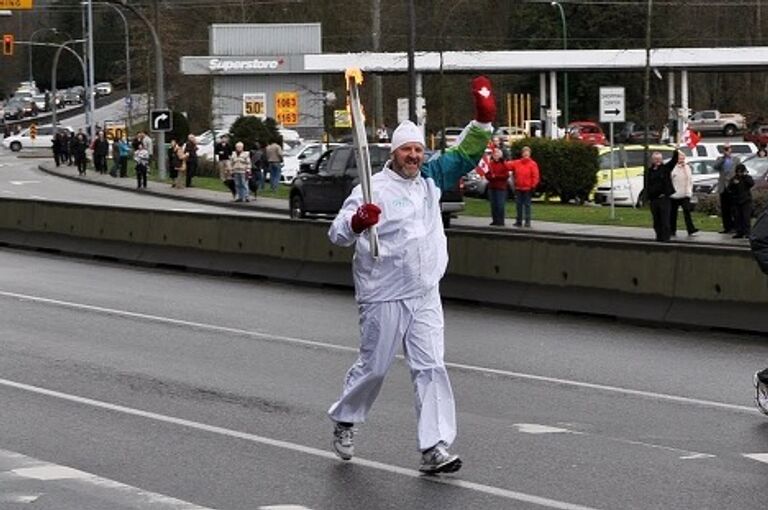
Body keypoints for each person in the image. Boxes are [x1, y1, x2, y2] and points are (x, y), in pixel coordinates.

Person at [327, 76, 495, 475]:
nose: (414, 156)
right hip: (383, 291)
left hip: (424, 290)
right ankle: (346, 418)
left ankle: (434, 447)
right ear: (394, 152)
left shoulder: (430, 180)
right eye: (408, 149)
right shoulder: (373, 188)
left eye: (419, 149)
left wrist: (483, 119)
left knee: (431, 366)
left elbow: (465, 155)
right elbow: (336, 233)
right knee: (375, 367)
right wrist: (356, 221)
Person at [645, 150, 680, 242]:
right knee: (656, 221)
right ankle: (659, 237)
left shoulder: (665, 169)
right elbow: (647, 185)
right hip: (654, 199)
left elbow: (674, 161)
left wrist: (676, 151)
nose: (657, 161)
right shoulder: (649, 171)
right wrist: (648, 197)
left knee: (665, 220)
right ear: (652, 160)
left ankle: (666, 239)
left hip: (664, 198)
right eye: (656, 159)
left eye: (659, 159)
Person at [508, 146, 540, 228]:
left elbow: (535, 176)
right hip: (518, 188)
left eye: (527, 152)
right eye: (524, 152)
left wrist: (533, 186)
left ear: (530, 154)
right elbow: (507, 166)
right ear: (522, 154)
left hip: (528, 188)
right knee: (518, 205)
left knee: (527, 205)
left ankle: (527, 221)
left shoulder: (533, 164)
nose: (526, 154)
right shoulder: (517, 163)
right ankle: (518, 221)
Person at [669, 152, 699, 237]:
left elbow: (690, 180)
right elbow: (670, 180)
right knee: (673, 214)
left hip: (685, 194)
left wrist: (689, 192)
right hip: (674, 195)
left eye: (683, 158)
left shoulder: (687, 167)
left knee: (687, 211)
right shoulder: (673, 168)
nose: (681, 160)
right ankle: (672, 230)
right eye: (680, 158)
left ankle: (691, 229)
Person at [727, 163, 754, 239]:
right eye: (738, 172)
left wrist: (745, 176)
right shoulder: (734, 179)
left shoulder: (747, 178)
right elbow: (729, 188)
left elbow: (751, 184)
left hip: (746, 200)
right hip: (736, 201)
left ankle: (747, 232)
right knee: (738, 217)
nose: (739, 173)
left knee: (746, 217)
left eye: (741, 172)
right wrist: (733, 184)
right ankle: (739, 232)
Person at [485, 147, 511, 226]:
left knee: (500, 205)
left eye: (497, 154)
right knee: (493, 205)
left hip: (501, 188)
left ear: (500, 155)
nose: (496, 155)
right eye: (495, 154)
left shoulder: (504, 164)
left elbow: (506, 175)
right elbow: (487, 175)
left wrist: (496, 176)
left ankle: (501, 220)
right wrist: (491, 177)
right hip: (492, 187)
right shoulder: (490, 164)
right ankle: (495, 220)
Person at [714, 145, 737, 234]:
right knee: (725, 209)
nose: (727, 150)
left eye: (728, 148)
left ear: (731, 149)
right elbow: (715, 167)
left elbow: (739, 170)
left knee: (734, 209)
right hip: (723, 187)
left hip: (732, 187)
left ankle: (735, 227)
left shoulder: (736, 159)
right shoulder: (720, 159)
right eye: (725, 149)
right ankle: (727, 227)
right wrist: (724, 157)